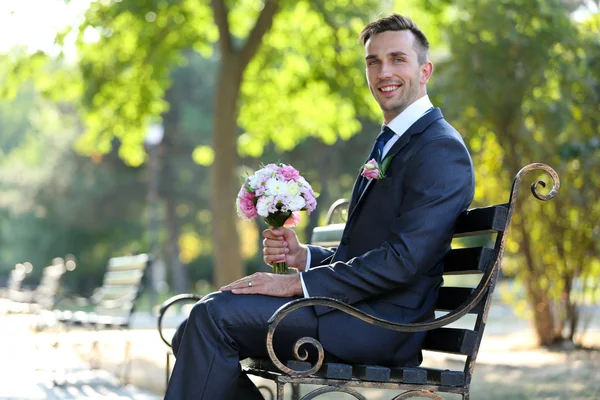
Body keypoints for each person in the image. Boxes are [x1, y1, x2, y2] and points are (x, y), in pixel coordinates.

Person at [165, 14, 474, 399]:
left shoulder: (440, 149)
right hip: (351, 311)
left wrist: (295, 285)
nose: (383, 72)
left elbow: (402, 261)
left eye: (397, 59)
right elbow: (365, 253)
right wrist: (304, 257)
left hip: (381, 324)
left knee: (210, 319)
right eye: (372, 62)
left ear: (425, 70)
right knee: (193, 329)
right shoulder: (395, 141)